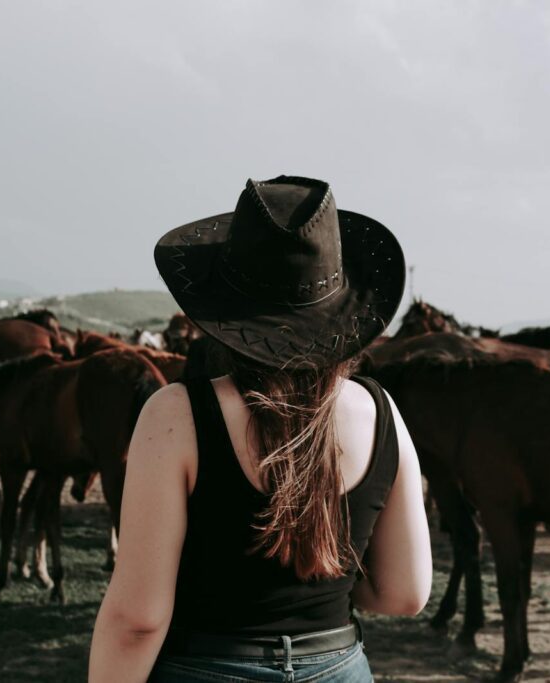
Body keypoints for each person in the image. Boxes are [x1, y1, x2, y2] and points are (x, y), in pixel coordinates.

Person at [89, 176, 432, 682]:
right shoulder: (382, 414)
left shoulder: (176, 416)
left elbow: (139, 620)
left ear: (223, 306)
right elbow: (405, 593)